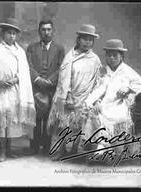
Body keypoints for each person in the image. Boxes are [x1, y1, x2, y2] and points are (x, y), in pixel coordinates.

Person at [84, 39, 141, 160]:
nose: (112, 58)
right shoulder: (103, 70)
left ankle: (106, 148)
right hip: (104, 102)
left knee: (117, 117)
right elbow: (97, 89)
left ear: (121, 57)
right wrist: (96, 101)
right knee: (94, 114)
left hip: (120, 103)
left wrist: (128, 88)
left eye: (115, 55)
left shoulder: (127, 71)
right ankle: (101, 146)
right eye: (109, 55)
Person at [47, 24, 102, 161]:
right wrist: (68, 95)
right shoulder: (69, 56)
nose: (87, 42)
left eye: (90, 40)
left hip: (85, 97)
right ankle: (60, 150)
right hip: (68, 96)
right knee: (63, 124)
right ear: (78, 39)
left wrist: (91, 99)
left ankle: (74, 150)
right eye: (84, 39)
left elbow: (98, 82)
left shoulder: (95, 60)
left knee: (80, 125)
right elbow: (64, 79)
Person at [0, 18, 36, 162]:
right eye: (9, 33)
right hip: (0, 89)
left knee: (12, 118)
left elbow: (24, 71)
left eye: (14, 34)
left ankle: (9, 149)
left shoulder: (20, 51)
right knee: (2, 118)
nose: (12, 36)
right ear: (2, 34)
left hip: (14, 89)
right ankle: (2, 151)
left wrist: (16, 79)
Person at [26, 20, 65, 155]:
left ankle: (47, 146)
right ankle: (35, 146)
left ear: (53, 31)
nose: (46, 32)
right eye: (43, 29)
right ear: (39, 32)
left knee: (49, 118)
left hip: (51, 87)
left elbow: (61, 67)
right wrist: (37, 79)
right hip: (36, 86)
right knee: (36, 118)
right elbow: (28, 65)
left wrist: (50, 81)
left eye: (49, 29)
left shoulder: (59, 48)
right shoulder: (31, 47)